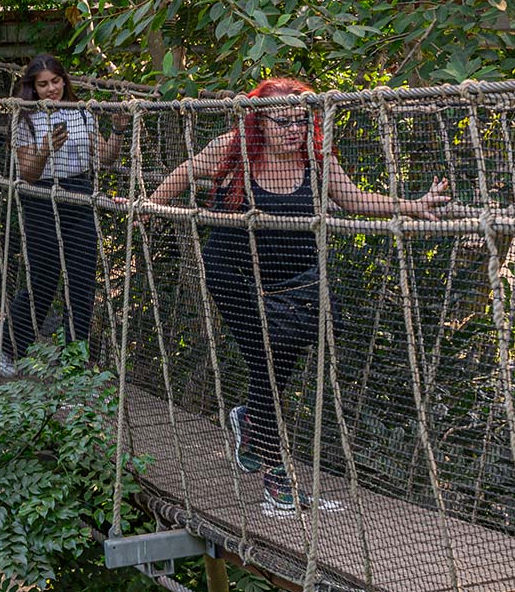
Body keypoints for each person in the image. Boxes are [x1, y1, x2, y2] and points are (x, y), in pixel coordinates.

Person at [149, 77, 449, 517]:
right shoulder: (234, 150)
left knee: (275, 368)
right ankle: (277, 480)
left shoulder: (317, 159)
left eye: (301, 120)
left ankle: (250, 420)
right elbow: (183, 171)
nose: (294, 129)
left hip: (296, 287)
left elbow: (354, 199)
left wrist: (409, 205)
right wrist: (149, 208)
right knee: (267, 366)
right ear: (259, 122)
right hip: (235, 278)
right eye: (283, 120)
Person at [0, 55, 123, 378]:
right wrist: (44, 150)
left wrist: (119, 131)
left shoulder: (82, 113)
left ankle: (74, 367)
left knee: (82, 285)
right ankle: (10, 345)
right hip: (41, 197)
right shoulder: (24, 118)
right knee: (43, 281)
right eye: (43, 84)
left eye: (55, 81)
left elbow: (106, 158)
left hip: (79, 196)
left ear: (64, 80)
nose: (51, 89)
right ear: (33, 88)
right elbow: (27, 173)